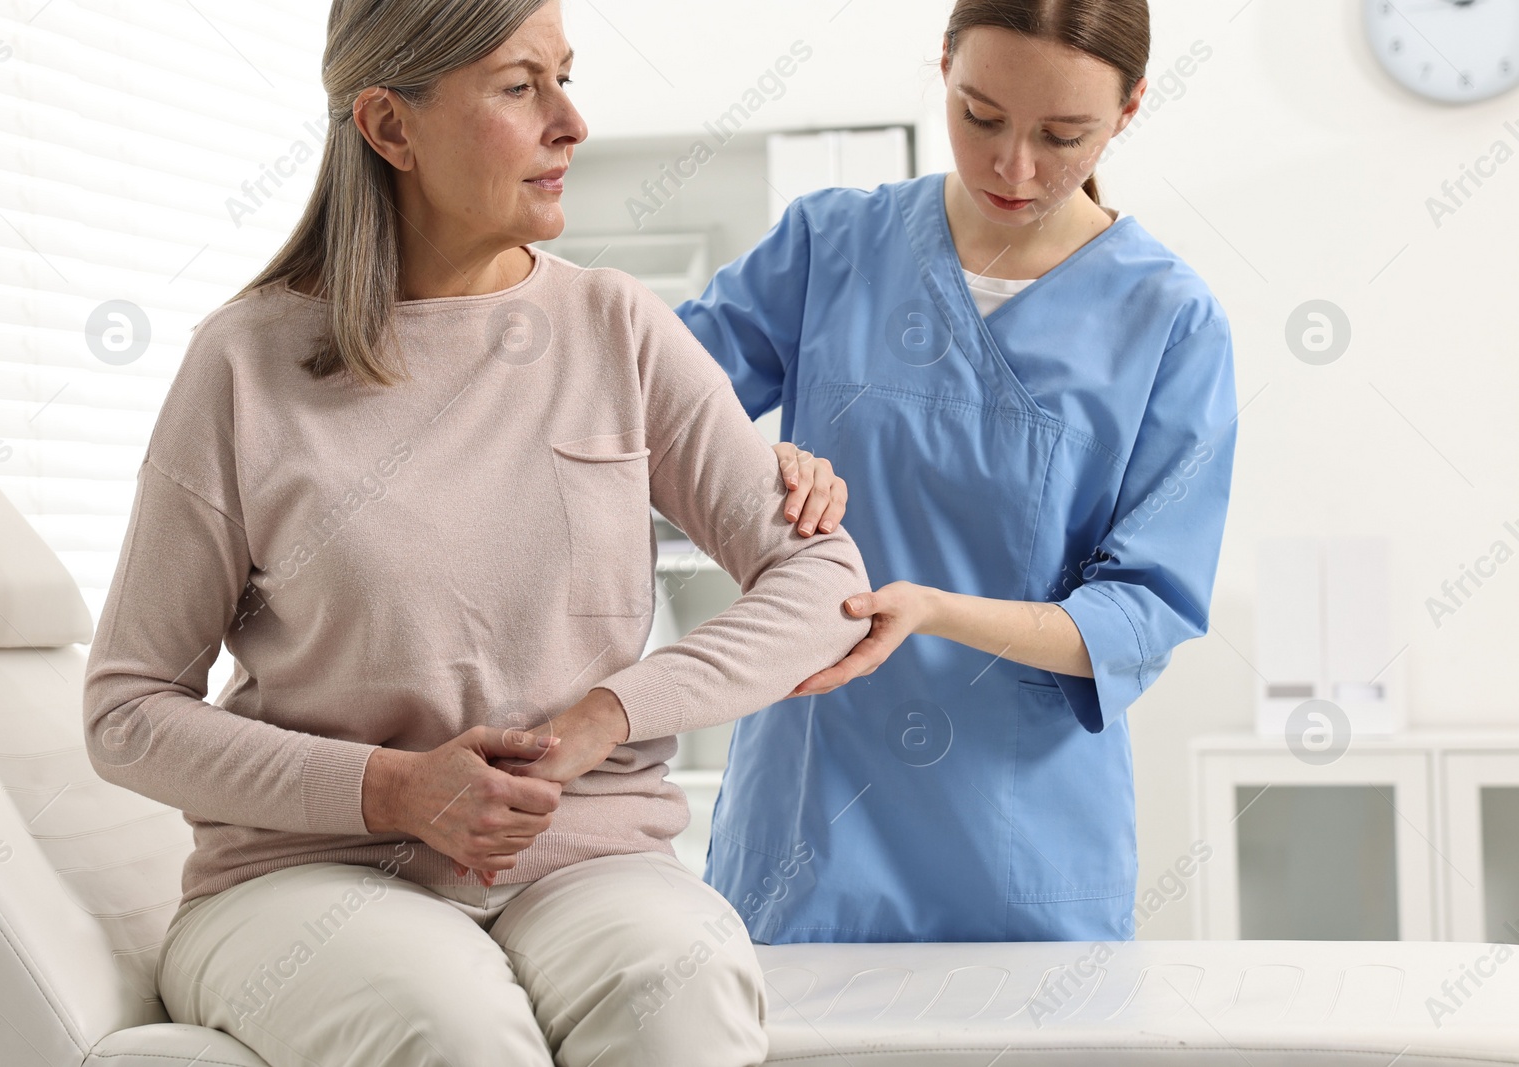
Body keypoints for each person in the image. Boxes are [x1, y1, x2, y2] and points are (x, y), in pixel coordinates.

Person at [81, 1, 872, 1064]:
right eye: (518, 86)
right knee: (446, 1024)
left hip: (588, 859)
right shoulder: (242, 363)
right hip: (310, 876)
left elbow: (823, 575)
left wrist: (606, 713)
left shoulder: (616, 328)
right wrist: (390, 787)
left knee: (675, 993)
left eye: (566, 76)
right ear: (388, 127)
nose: (571, 122)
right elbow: (127, 709)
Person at [676, 0, 1238, 945]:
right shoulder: (830, 248)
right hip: (807, 813)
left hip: (1020, 840)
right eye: (981, 117)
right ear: (942, 65)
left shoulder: (1169, 320)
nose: (1014, 168)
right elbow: (648, 418)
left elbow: (1144, 607)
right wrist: (758, 462)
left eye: (1064, 136)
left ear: (1131, 108)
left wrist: (934, 611)